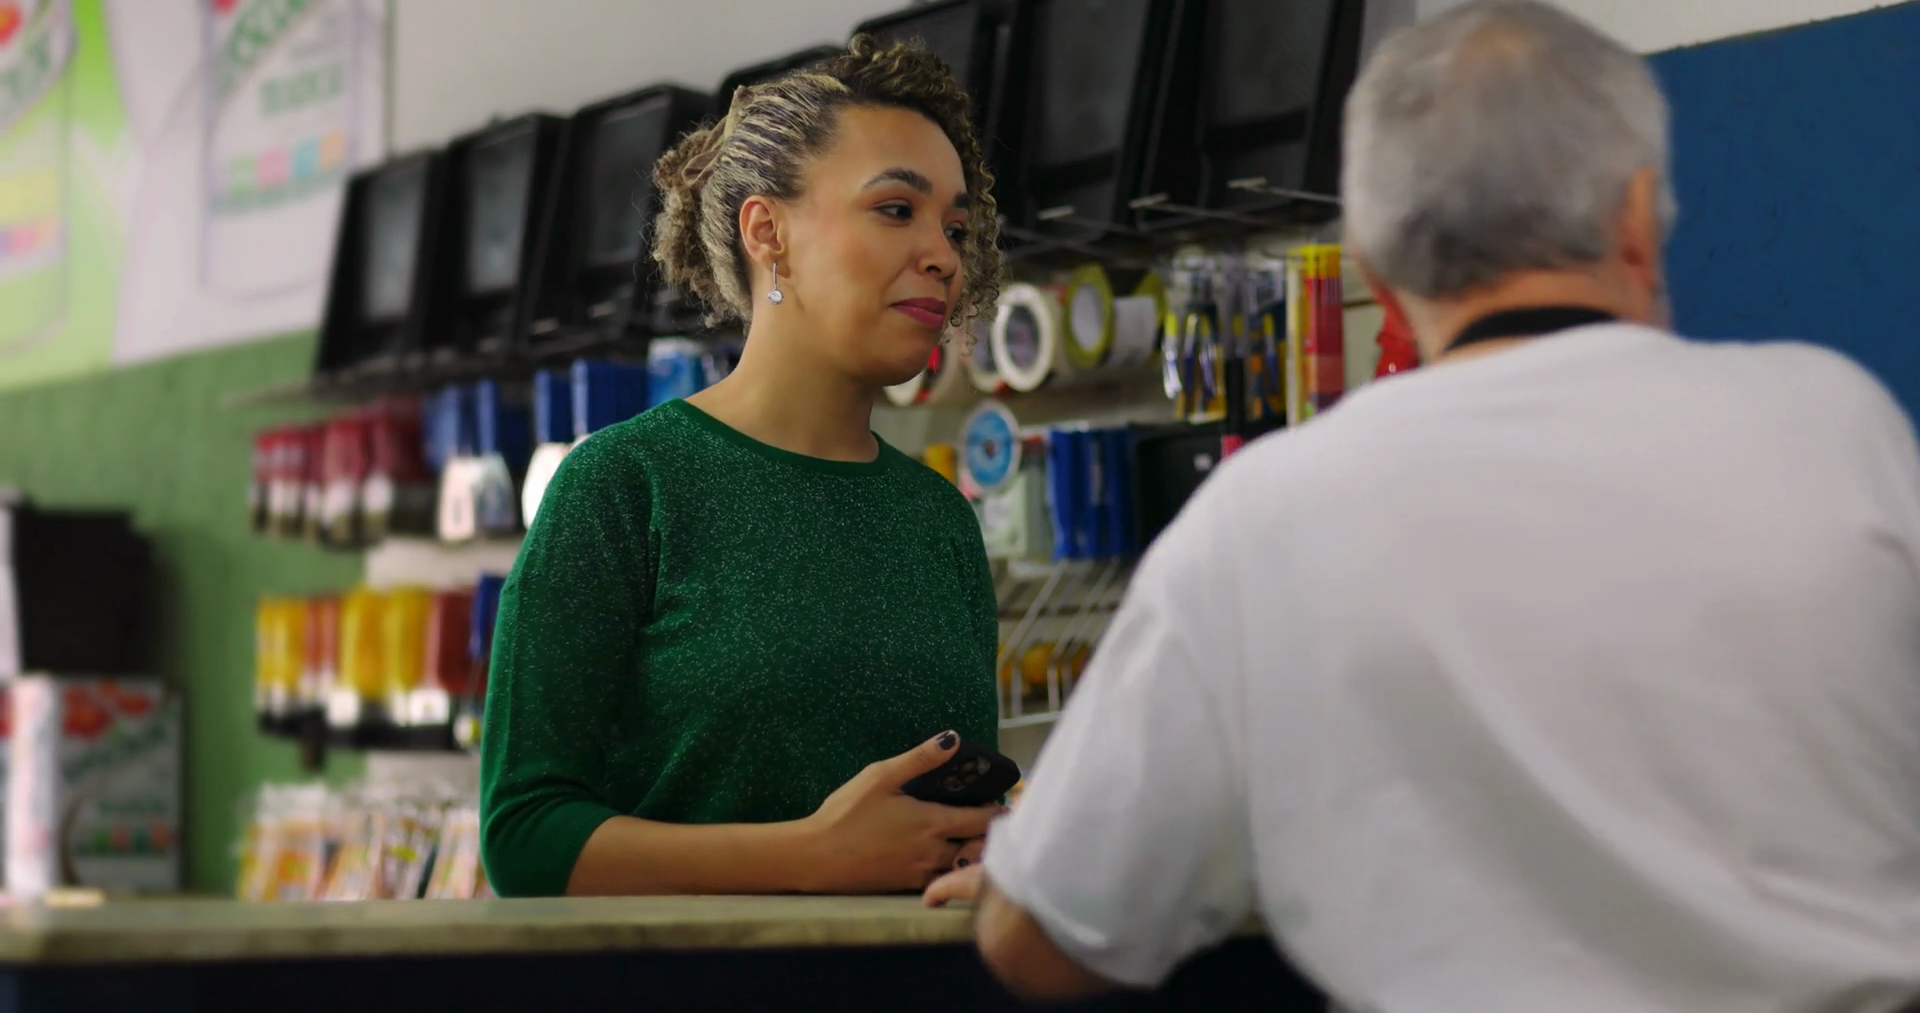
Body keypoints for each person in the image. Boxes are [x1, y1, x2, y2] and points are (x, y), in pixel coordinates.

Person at [925, 1, 1920, 1008]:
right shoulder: (1837, 426)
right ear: (1637, 215)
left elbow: (1040, 939)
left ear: (1374, 266)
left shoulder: (1266, 515)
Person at [480, 37, 1008, 897]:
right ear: (769, 233)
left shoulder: (941, 519)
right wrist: (810, 855)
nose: (944, 256)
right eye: (895, 210)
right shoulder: (624, 486)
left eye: (954, 227)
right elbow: (524, 838)